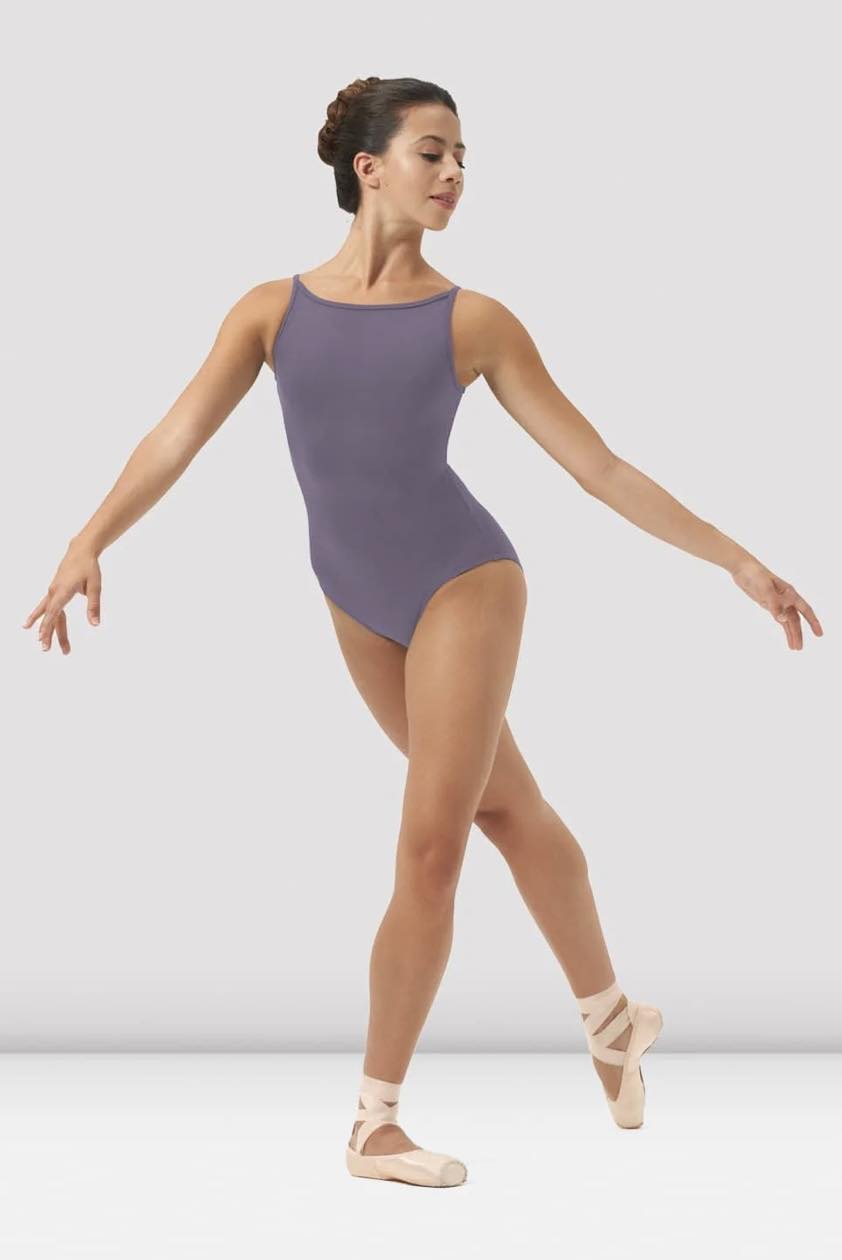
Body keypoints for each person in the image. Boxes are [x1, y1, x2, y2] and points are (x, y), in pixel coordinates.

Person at [23, 76, 823, 1190]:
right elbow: (173, 437)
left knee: (430, 844)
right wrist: (87, 539)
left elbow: (596, 465)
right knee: (508, 810)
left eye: (461, 158)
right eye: (432, 152)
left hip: (463, 583)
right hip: (354, 597)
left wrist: (735, 559)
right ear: (368, 168)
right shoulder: (269, 311)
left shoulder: (473, 321)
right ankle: (611, 1018)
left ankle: (374, 1123)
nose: (453, 175)